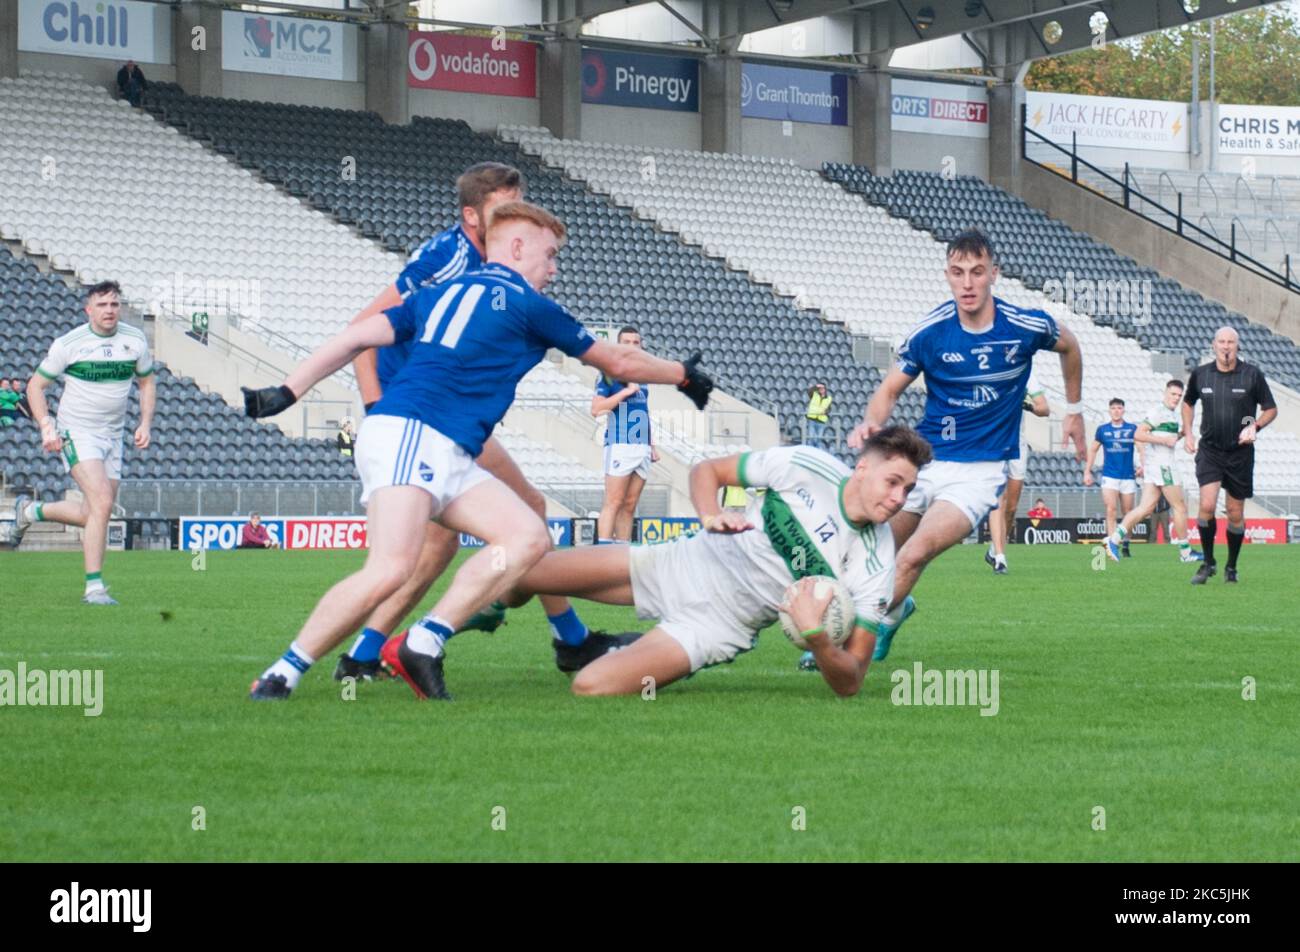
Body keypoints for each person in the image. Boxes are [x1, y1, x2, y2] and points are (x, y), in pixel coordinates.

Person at [242, 201, 714, 701]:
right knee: (391, 567)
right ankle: (282, 673)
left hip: (444, 447)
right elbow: (618, 359)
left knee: (528, 535)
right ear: (515, 247)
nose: (554, 268)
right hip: (413, 433)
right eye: (550, 255)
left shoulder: (442, 294)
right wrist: (683, 374)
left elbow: (359, 335)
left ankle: (424, 641)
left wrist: (289, 391)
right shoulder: (525, 303)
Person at [332, 162, 611, 682]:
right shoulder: (448, 256)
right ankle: (565, 638)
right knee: (523, 511)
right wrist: (377, 409)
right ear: (471, 215)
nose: (514, 216)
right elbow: (360, 330)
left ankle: (364, 656)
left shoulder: (500, 263)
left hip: (438, 412)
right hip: (417, 414)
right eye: (504, 207)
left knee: (436, 547)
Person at [426, 427, 929, 697]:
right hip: (681, 560)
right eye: (893, 481)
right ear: (863, 467)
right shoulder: (803, 465)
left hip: (716, 625)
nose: (899, 497)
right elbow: (709, 470)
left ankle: (609, 653)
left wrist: (816, 637)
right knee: (522, 568)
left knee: (592, 687)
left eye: (908, 489)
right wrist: (710, 514)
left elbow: (852, 679)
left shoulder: (876, 561)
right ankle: (534, 625)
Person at [841, 229, 1085, 665]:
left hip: (981, 472)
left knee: (913, 556)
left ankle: (846, 646)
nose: (967, 283)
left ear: (995, 273)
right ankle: (894, 611)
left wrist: (1075, 409)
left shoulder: (1025, 325)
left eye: (976, 272)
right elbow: (888, 390)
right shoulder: (930, 332)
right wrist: (870, 424)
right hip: (925, 462)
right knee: (878, 553)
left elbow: (1070, 345)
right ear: (947, 276)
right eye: (958, 273)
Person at [11, 281, 155, 603]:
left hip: (113, 435)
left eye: (114, 304)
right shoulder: (70, 343)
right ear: (88, 309)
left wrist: (145, 422)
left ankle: (31, 511)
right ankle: (94, 588)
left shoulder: (135, 340)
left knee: (94, 511)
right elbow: (35, 387)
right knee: (103, 501)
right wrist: (47, 426)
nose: (109, 310)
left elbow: (146, 382)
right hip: (76, 431)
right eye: (102, 305)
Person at [1183, 326, 1277, 584]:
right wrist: (1188, 434)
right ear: (1214, 345)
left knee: (1235, 513)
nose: (1226, 346)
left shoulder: (1252, 375)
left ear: (1238, 346)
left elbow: (1270, 409)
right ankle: (1208, 563)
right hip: (1210, 450)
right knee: (1206, 506)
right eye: (1222, 342)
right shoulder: (1201, 375)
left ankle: (1231, 567)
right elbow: (1188, 402)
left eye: (1231, 342)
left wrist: (1254, 425)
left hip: (1240, 454)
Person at [1100, 380, 1203, 564]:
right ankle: (1185, 552)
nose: (1176, 398)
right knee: (1180, 508)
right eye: (1173, 394)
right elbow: (1138, 434)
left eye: (1179, 396)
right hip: (1163, 466)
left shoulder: (1170, 414)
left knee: (1145, 508)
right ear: (1165, 393)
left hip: (1156, 466)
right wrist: (1164, 442)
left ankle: (1113, 540)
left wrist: (1182, 436)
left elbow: (1167, 438)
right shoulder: (1158, 412)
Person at [592, 326, 658, 543]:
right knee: (614, 502)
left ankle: (621, 557)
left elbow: (644, 411)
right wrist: (626, 391)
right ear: (618, 345)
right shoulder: (609, 373)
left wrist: (652, 445)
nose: (632, 346)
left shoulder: (644, 374)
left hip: (642, 447)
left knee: (630, 506)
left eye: (636, 342)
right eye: (626, 342)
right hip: (620, 444)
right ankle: (602, 557)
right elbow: (597, 409)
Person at [984, 371, 1049, 574]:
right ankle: (1001, 559)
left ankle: (995, 548)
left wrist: (1026, 405)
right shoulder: (988, 372)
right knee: (999, 501)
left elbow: (1044, 409)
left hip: (1017, 445)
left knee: (1011, 507)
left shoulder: (1027, 375)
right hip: (993, 442)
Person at [1083, 398, 1137, 555]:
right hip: (1110, 476)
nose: (1116, 411)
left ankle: (1126, 543)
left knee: (1128, 512)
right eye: (1113, 408)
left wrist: (1143, 465)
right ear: (1109, 410)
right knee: (1111, 509)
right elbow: (1092, 449)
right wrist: (1087, 471)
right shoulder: (1102, 430)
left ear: (1123, 410)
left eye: (1119, 408)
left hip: (1128, 476)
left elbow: (1142, 447)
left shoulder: (1132, 429)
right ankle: (1112, 544)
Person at [805, 382, 832, 450]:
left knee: (818, 439)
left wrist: (825, 412)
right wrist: (816, 386)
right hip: (812, 419)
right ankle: (811, 451)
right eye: (819, 388)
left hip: (821, 421)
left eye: (822, 388)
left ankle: (816, 451)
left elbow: (829, 409)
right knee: (811, 437)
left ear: (825, 389)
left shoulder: (829, 398)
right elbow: (809, 391)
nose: (821, 390)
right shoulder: (814, 395)